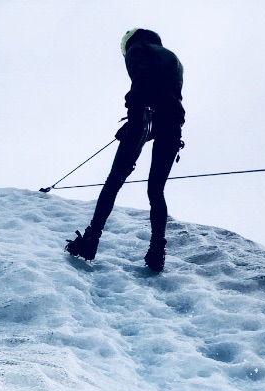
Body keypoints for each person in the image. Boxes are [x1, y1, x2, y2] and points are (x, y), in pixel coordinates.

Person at [66, 28, 185, 272]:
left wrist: (133, 120)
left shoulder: (138, 49)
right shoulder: (173, 58)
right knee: (156, 190)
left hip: (145, 115)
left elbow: (142, 81)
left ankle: (91, 240)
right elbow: (169, 96)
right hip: (173, 123)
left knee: (115, 180)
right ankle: (156, 252)